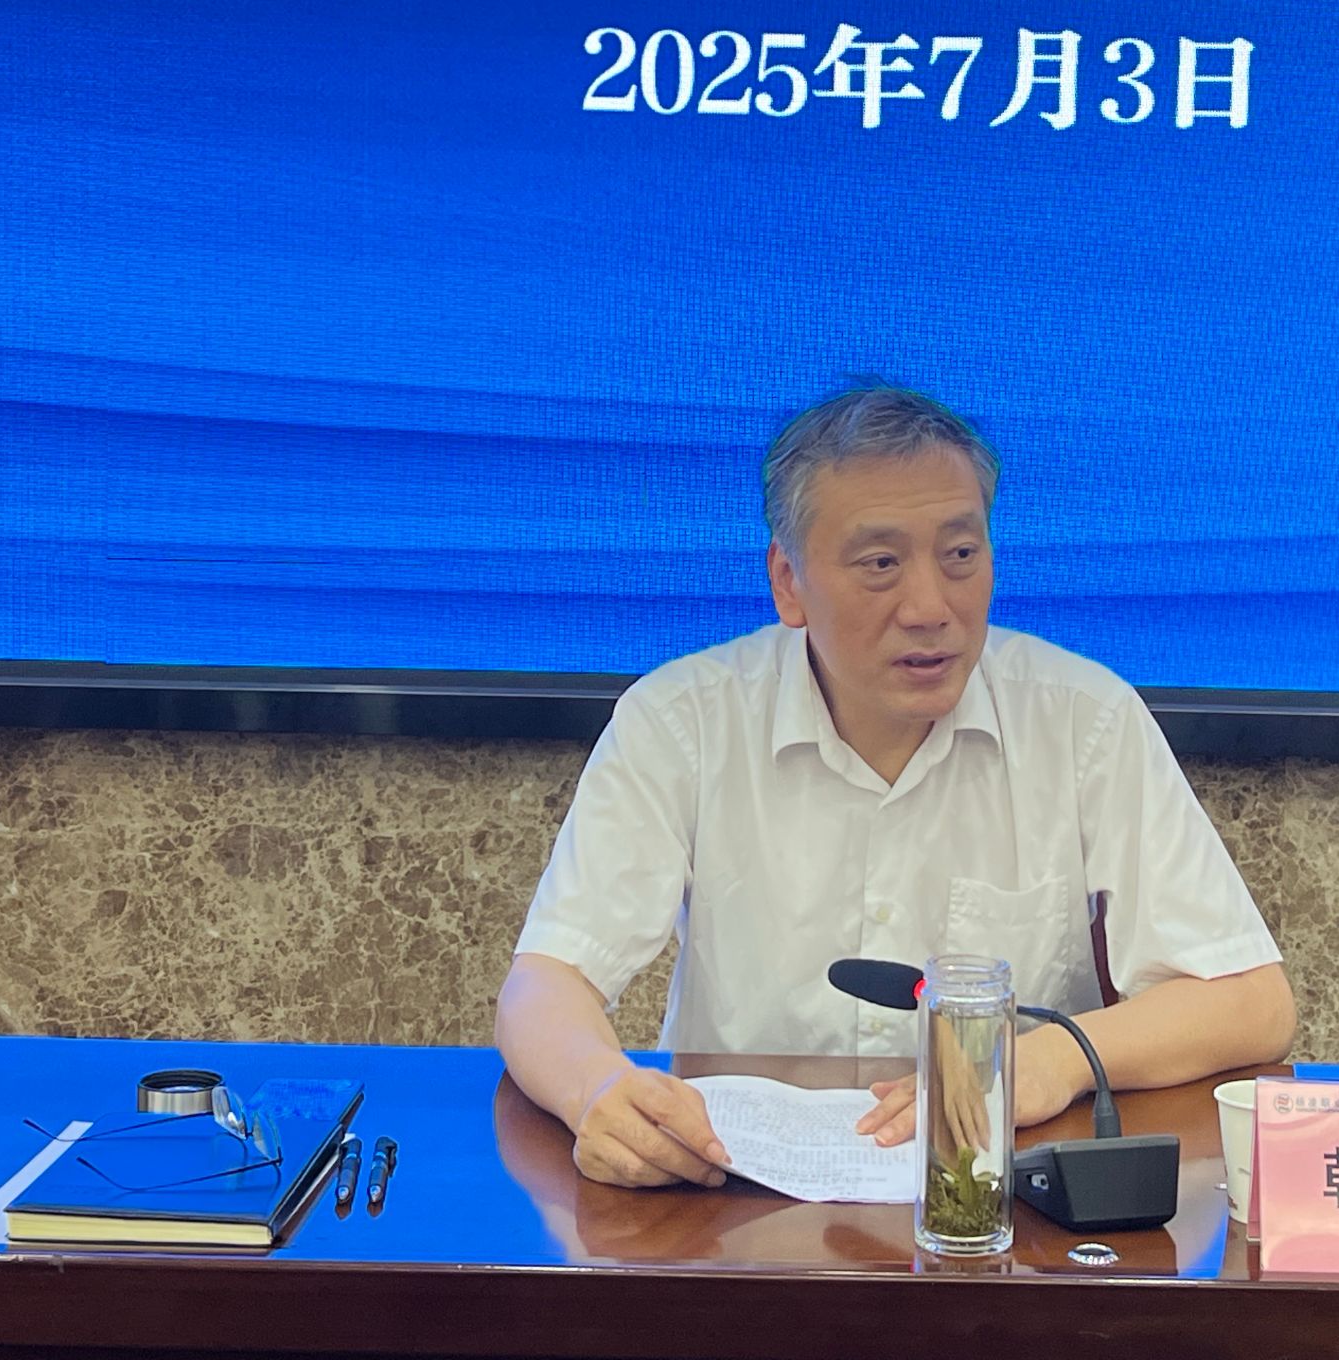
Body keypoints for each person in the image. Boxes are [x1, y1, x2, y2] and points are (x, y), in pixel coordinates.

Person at [496, 386, 1295, 1189]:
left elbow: (1252, 1001)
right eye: (881, 564)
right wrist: (597, 1091)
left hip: (999, 1204)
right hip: (735, 1200)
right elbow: (546, 982)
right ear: (788, 582)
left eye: (960, 555)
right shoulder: (680, 723)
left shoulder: (1084, 720)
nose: (930, 607)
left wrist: (1048, 1061)